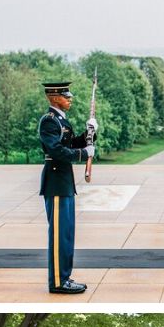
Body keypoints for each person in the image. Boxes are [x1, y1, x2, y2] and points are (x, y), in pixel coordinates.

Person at [38, 81, 96, 294]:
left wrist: (89, 134)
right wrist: (84, 154)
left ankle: (65, 277)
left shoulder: (61, 120)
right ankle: (58, 282)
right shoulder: (49, 121)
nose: (70, 99)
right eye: (66, 97)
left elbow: (71, 144)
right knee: (59, 235)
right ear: (54, 98)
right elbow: (57, 151)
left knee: (67, 234)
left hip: (64, 183)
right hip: (55, 183)